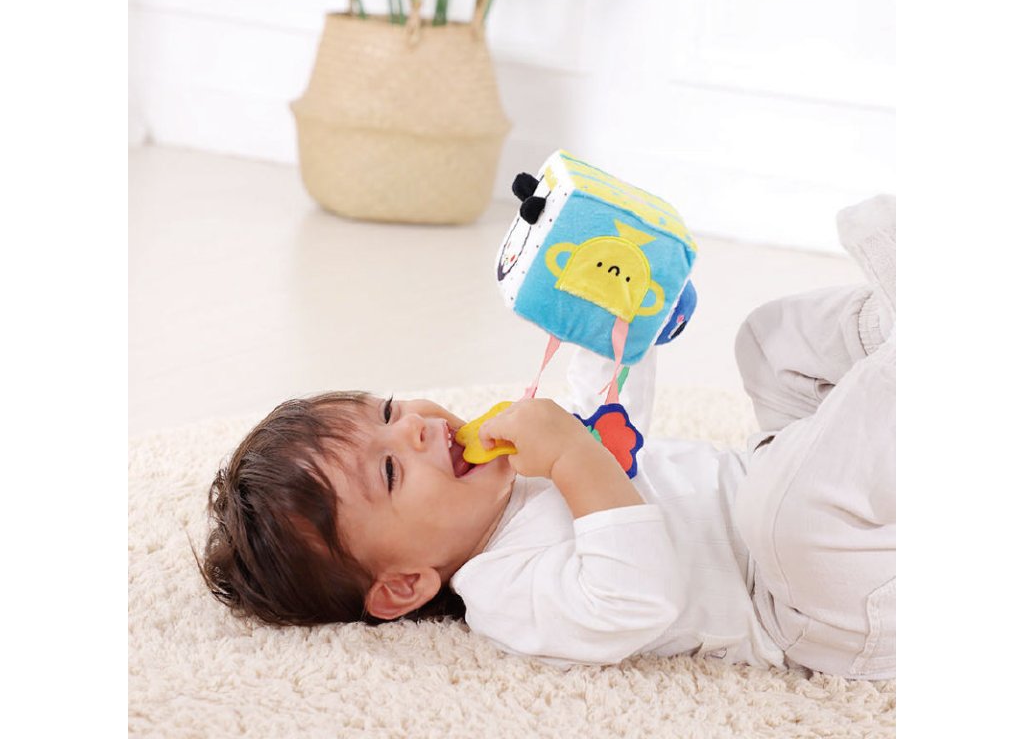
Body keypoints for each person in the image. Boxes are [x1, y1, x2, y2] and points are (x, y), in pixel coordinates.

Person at [200, 196, 895, 680]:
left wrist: (611, 323)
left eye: (388, 411)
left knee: (767, 345)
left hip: (770, 474)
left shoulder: (515, 472)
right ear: (405, 584)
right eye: (389, 472)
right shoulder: (506, 596)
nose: (414, 427)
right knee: (782, 514)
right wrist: (569, 455)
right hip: (807, 607)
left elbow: (611, 426)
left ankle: (887, 327)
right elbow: (637, 597)